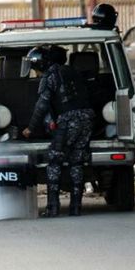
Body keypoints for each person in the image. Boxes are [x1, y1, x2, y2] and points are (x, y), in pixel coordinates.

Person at [21, 45, 94, 217]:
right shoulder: (73, 72)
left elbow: (42, 105)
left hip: (69, 121)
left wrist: (30, 129)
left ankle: (53, 207)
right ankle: (76, 207)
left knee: (54, 161)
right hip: (87, 119)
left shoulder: (51, 76)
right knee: (77, 162)